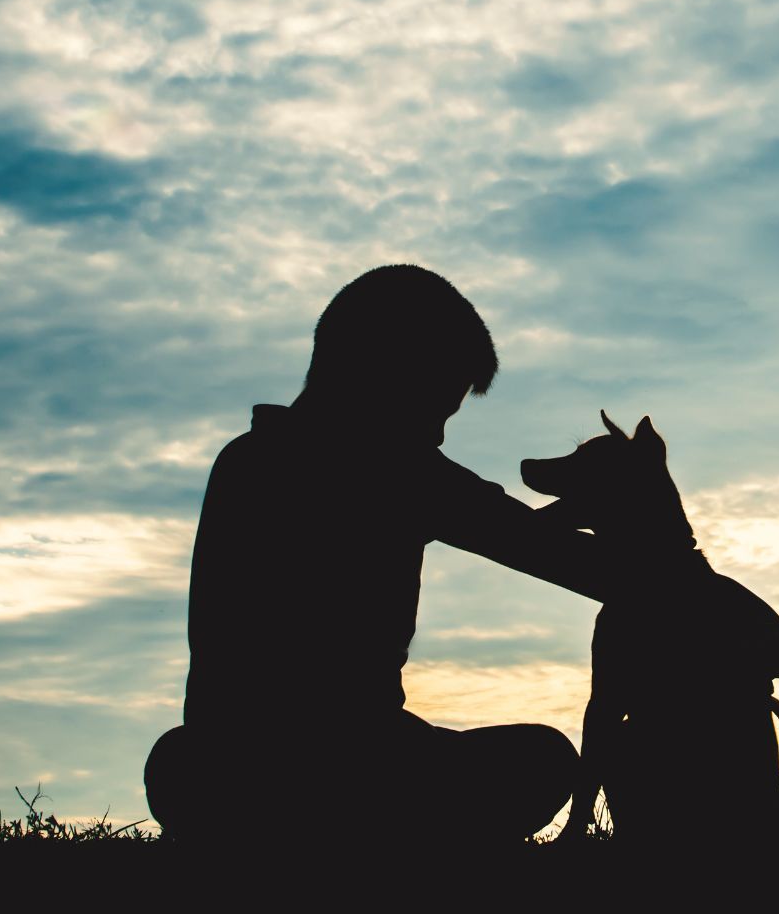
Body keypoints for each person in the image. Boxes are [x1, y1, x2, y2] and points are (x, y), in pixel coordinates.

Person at [144, 264, 614, 848]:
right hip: (363, 767)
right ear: (385, 379)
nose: (438, 437)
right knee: (542, 756)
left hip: (224, 773)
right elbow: (567, 559)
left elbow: (520, 532)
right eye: (435, 410)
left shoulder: (243, 460)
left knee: (180, 759)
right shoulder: (398, 470)